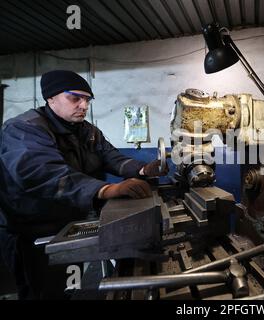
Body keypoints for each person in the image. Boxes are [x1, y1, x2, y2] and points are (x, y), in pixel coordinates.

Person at [0, 70, 167, 299]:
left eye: (87, 99)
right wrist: (105, 189)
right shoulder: (24, 129)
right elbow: (45, 175)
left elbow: (112, 158)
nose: (84, 105)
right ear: (50, 98)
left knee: (71, 288)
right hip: (31, 233)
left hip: (68, 226)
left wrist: (143, 169)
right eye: (75, 98)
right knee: (43, 293)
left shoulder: (87, 131)